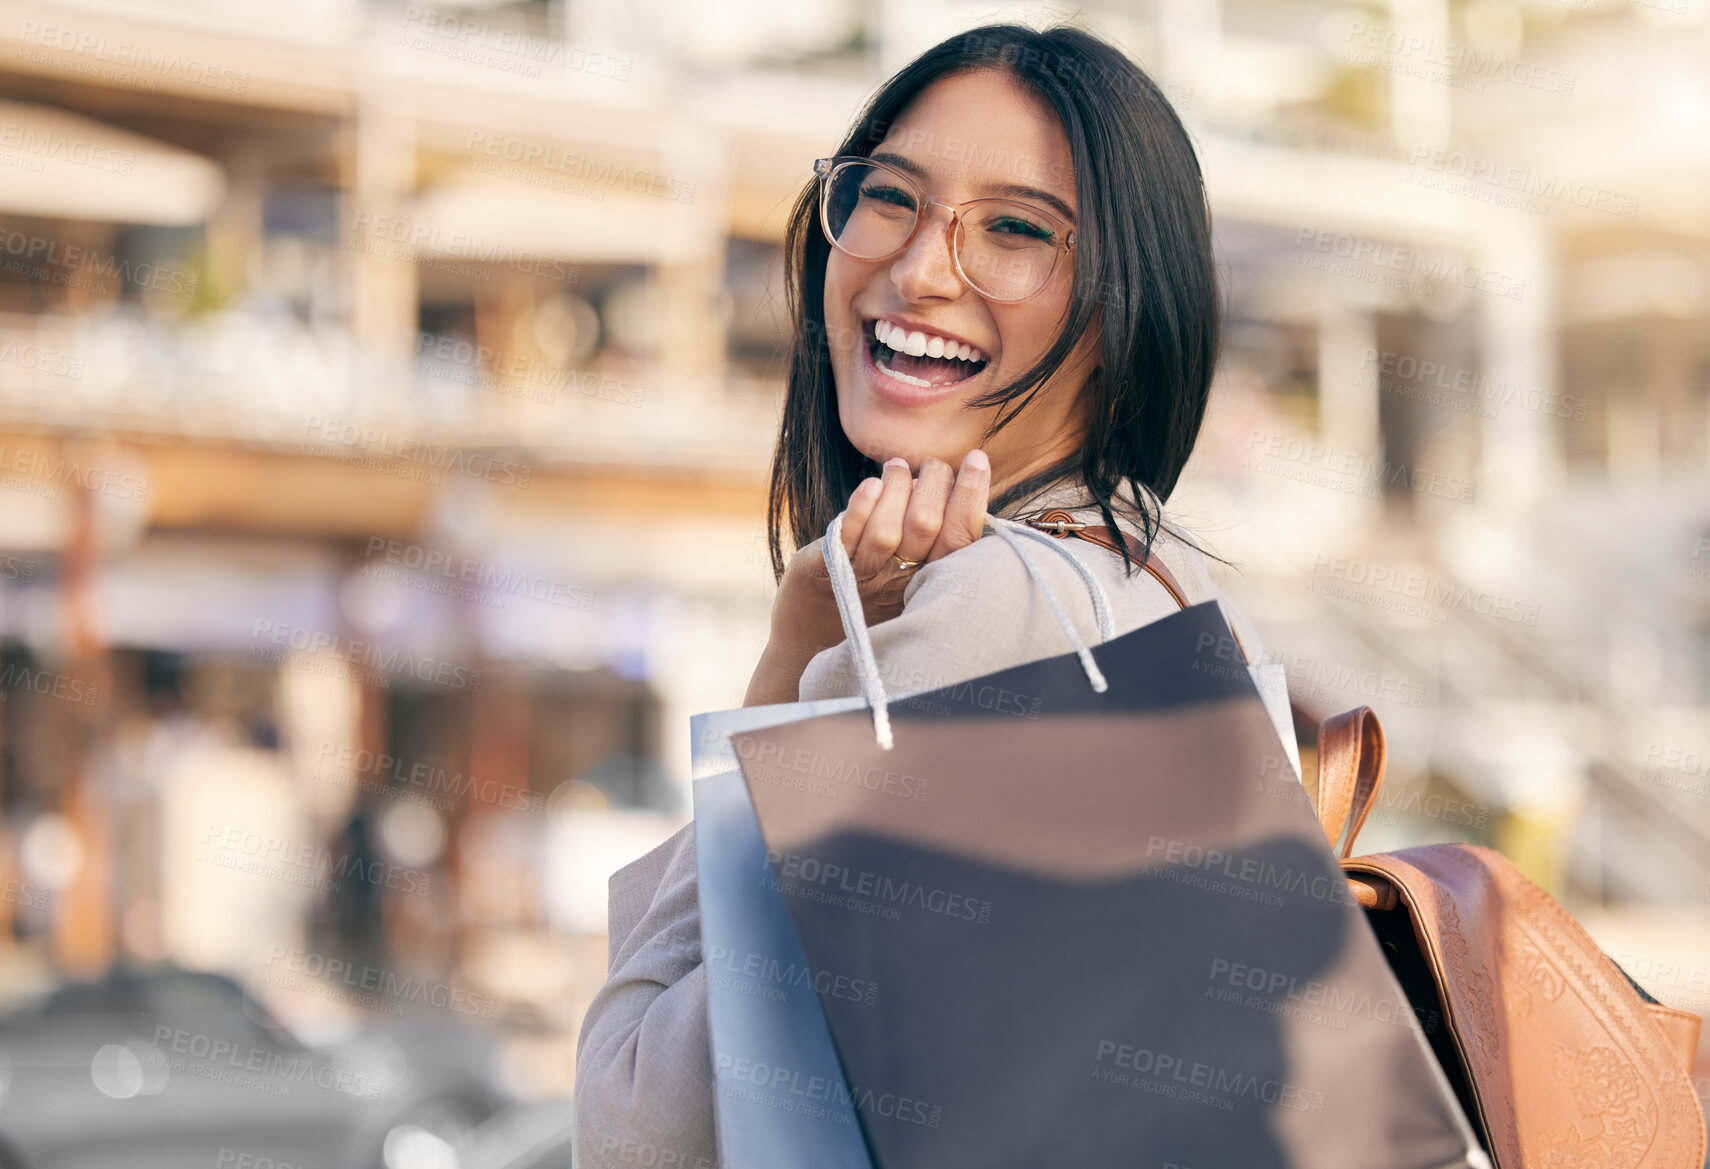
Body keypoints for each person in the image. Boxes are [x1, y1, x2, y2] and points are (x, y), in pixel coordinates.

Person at [572, 22, 1274, 1167]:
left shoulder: (996, 614)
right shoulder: (1153, 590)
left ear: (1124, 306)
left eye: (1014, 229)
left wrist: (786, 683)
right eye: (890, 198)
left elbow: (643, 1123)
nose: (918, 269)